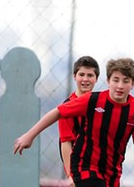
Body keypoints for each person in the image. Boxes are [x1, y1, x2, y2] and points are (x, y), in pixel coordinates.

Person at [14, 58, 134, 187]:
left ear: (133, 84)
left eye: (125, 81)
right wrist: (29, 135)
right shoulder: (91, 100)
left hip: (112, 173)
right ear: (108, 81)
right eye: (116, 80)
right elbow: (58, 114)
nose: (120, 86)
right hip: (85, 168)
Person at [58, 55, 100, 186]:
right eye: (81, 74)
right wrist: (71, 176)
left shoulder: (100, 105)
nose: (85, 79)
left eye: (90, 75)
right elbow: (65, 143)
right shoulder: (67, 107)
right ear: (74, 76)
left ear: (96, 78)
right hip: (79, 172)